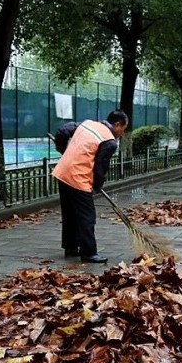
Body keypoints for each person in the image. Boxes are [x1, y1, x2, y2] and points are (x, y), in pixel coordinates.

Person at [52, 110, 128, 263]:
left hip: (62, 171)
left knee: (70, 213)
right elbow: (100, 166)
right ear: (117, 124)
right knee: (87, 216)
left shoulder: (87, 124)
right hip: (78, 178)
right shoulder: (110, 141)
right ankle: (88, 253)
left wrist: (63, 150)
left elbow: (62, 131)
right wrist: (97, 185)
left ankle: (71, 247)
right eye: (123, 129)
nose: (122, 133)